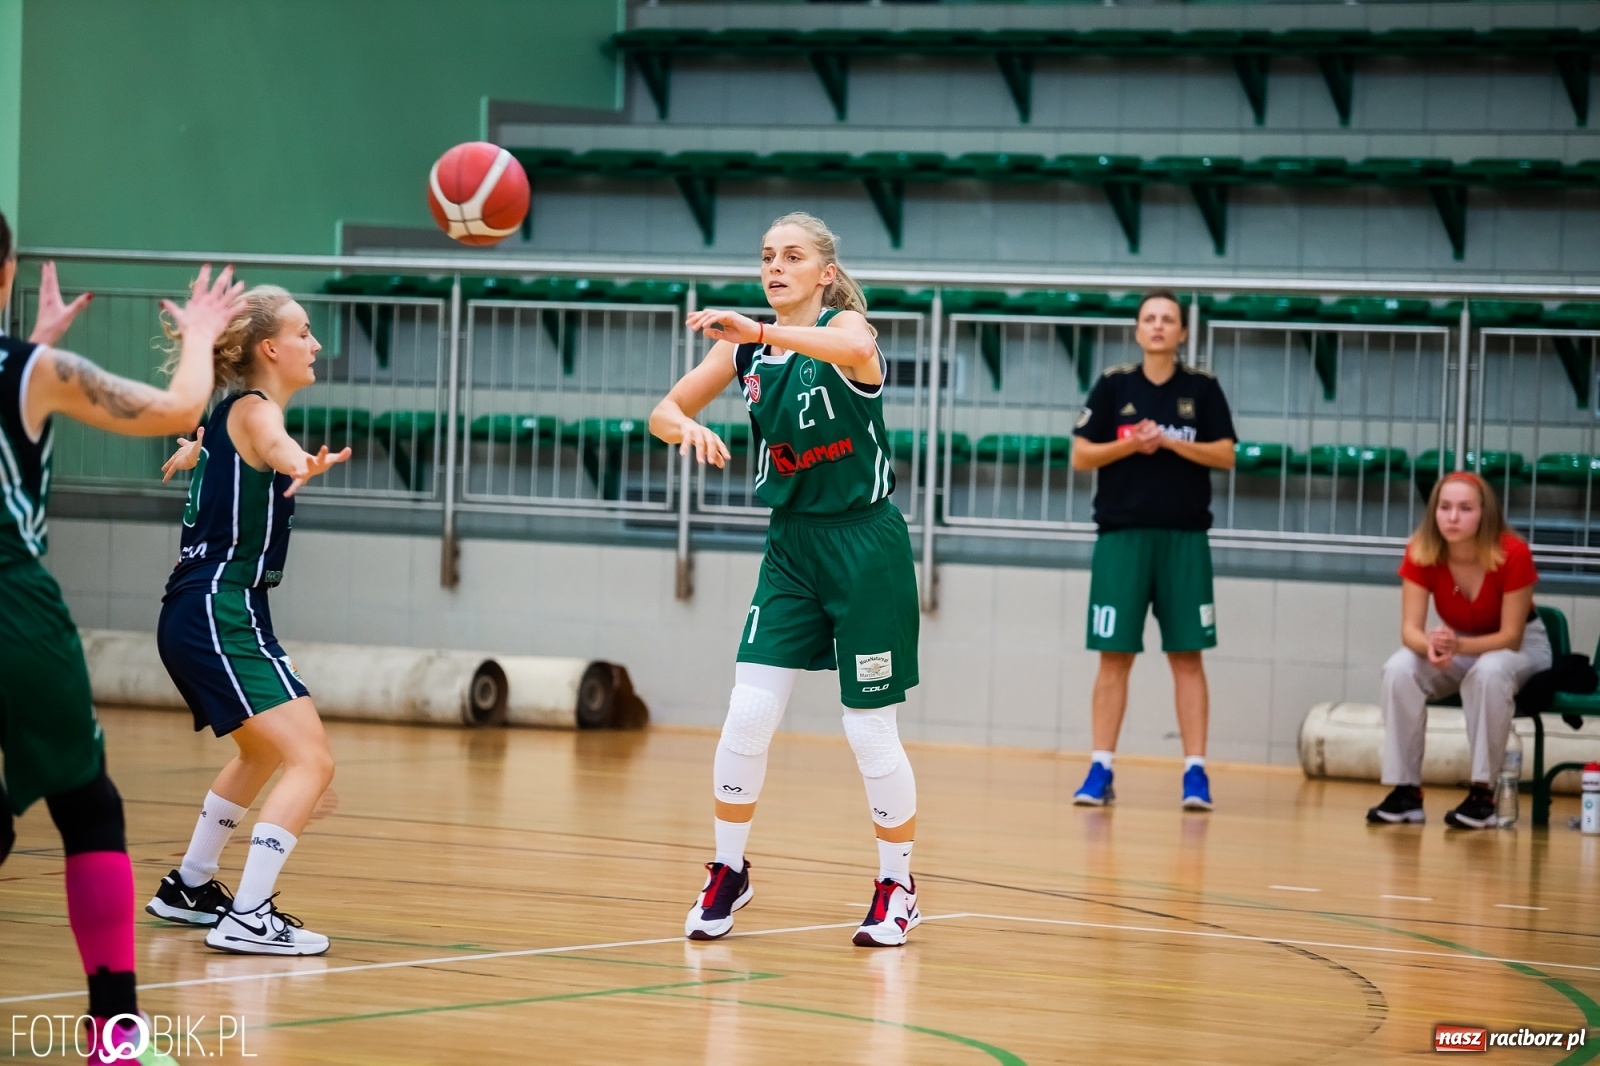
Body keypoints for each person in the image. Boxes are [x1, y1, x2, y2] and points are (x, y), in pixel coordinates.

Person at [0, 208, 244, 1065]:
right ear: (5, 275)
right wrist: (204, 334)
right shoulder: (30, 371)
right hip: (11, 612)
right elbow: (179, 407)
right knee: (87, 807)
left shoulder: (30, 366)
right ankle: (115, 1036)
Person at [649, 212, 922, 947]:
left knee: (868, 730)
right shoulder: (748, 354)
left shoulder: (847, 333)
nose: (775, 267)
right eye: (766, 255)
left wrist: (760, 331)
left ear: (824, 272)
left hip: (866, 547)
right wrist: (688, 426)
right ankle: (729, 871)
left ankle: (897, 884)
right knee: (747, 713)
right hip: (792, 550)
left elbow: (850, 345)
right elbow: (660, 411)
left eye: (792, 257)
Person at [144, 285, 349, 954]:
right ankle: (250, 916)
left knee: (265, 752)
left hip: (203, 608)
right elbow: (279, 447)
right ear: (271, 348)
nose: (315, 344)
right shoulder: (258, 414)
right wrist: (301, 463)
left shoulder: (227, 415)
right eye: (304, 332)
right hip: (218, 606)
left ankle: (192, 886)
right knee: (311, 762)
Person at [1069, 290, 1236, 811]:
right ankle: (1100, 768)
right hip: (1121, 538)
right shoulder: (1114, 384)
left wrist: (1167, 440)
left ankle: (1195, 774)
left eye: (1168, 320)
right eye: (1150, 319)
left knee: (1187, 655)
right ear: (1138, 330)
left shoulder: (1202, 389)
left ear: (1182, 333)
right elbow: (1080, 456)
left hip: (1185, 539)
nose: (1159, 326)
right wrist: (1130, 444)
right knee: (1113, 656)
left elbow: (1225, 454)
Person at [1367, 472, 1551, 829]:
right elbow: (1410, 631)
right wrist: (1431, 647)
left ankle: (1484, 793)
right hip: (1458, 642)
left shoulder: (1513, 552)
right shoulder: (1422, 549)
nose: (1452, 518)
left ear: (1485, 513)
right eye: (1445, 507)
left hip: (1520, 644)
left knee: (1489, 671)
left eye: (1465, 509)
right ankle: (1406, 791)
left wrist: (1457, 645)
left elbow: (1511, 637)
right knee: (1399, 668)